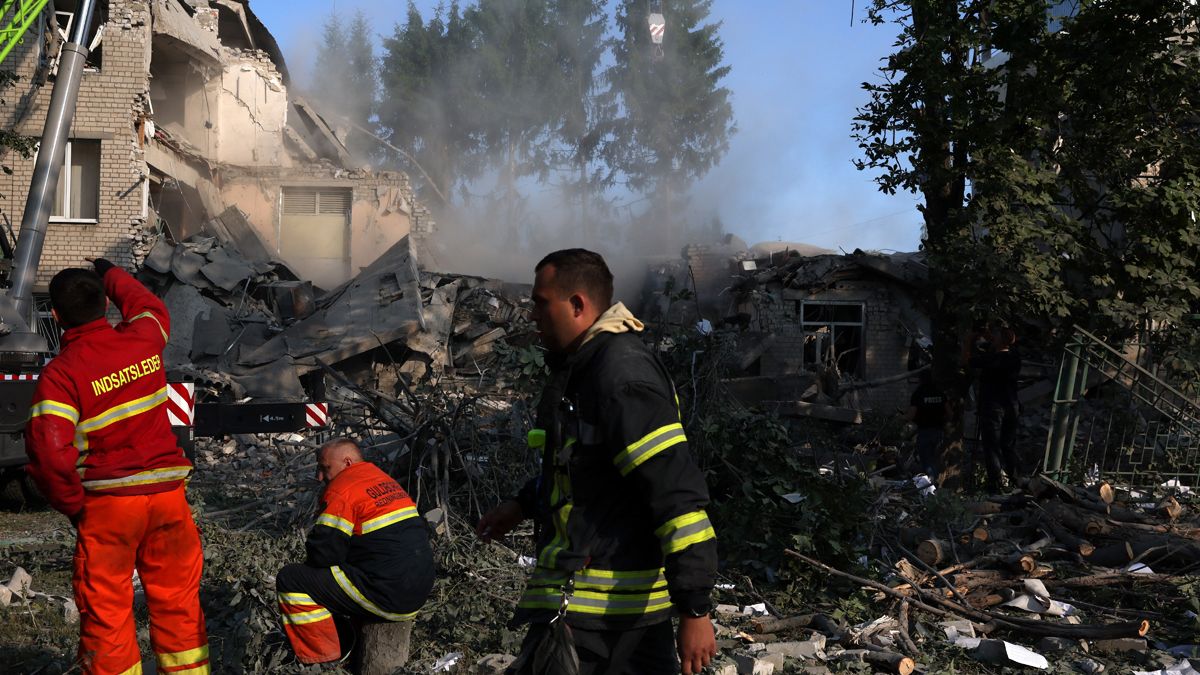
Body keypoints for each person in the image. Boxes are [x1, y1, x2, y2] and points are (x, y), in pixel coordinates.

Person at [475, 249, 718, 675]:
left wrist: (695, 610)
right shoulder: (585, 369)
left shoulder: (620, 375)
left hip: (603, 614)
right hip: (592, 610)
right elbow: (586, 473)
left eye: (539, 301)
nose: (531, 314)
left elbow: (675, 495)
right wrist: (522, 504)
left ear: (577, 305)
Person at [25, 259, 209, 675]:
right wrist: (111, 272)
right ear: (107, 303)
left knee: (107, 613)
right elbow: (147, 304)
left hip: (109, 506)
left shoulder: (61, 375)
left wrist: (75, 506)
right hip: (168, 499)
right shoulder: (144, 337)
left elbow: (50, 454)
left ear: (54, 316)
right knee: (178, 603)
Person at [276, 438, 434, 665]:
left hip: (387, 595)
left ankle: (323, 657)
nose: (320, 477)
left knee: (291, 579)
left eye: (325, 468)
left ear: (347, 462)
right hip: (418, 590)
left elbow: (322, 555)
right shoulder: (383, 480)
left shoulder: (342, 489)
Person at [970, 325, 1022, 492]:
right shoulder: (1014, 357)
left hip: (993, 406)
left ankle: (996, 483)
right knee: (1008, 445)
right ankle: (1015, 479)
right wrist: (991, 337)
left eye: (995, 336)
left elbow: (967, 361)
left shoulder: (992, 359)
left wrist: (967, 342)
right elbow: (1002, 346)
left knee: (991, 445)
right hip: (1012, 406)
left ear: (999, 341)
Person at [907, 369, 950, 482]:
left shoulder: (918, 393)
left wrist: (900, 417)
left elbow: (911, 415)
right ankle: (934, 485)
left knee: (927, 461)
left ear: (920, 380)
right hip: (939, 431)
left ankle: (930, 488)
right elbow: (950, 413)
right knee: (936, 460)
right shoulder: (939, 392)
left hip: (924, 432)